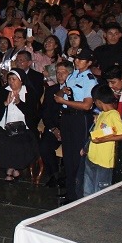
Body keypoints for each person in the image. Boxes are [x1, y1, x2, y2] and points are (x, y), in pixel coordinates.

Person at [53, 49, 98, 201]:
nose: (77, 61)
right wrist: (62, 93)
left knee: (78, 157)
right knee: (68, 156)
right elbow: (59, 95)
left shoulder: (90, 80)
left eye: (81, 59)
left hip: (80, 119)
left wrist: (64, 101)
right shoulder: (72, 75)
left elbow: (86, 105)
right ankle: (70, 191)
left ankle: (78, 194)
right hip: (67, 118)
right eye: (76, 58)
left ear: (89, 62)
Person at [0, 68, 39, 182]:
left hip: (24, 128)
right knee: (1, 141)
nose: (11, 81)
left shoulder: (29, 92)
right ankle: (10, 168)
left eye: (14, 79)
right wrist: (5, 103)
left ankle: (15, 168)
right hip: (4, 126)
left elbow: (33, 114)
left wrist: (19, 103)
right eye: (9, 79)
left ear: (21, 80)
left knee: (21, 143)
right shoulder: (3, 91)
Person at [81, 84, 122, 197]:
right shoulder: (102, 114)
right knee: (88, 190)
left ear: (98, 102)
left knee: (100, 191)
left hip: (104, 162)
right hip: (92, 158)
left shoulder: (113, 115)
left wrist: (103, 140)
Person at [38, 60, 72, 188]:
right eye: (58, 72)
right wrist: (53, 129)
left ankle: (68, 177)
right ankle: (54, 175)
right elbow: (45, 112)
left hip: (70, 128)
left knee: (72, 148)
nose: (60, 75)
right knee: (44, 146)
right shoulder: (51, 90)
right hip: (54, 126)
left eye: (63, 72)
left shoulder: (76, 90)